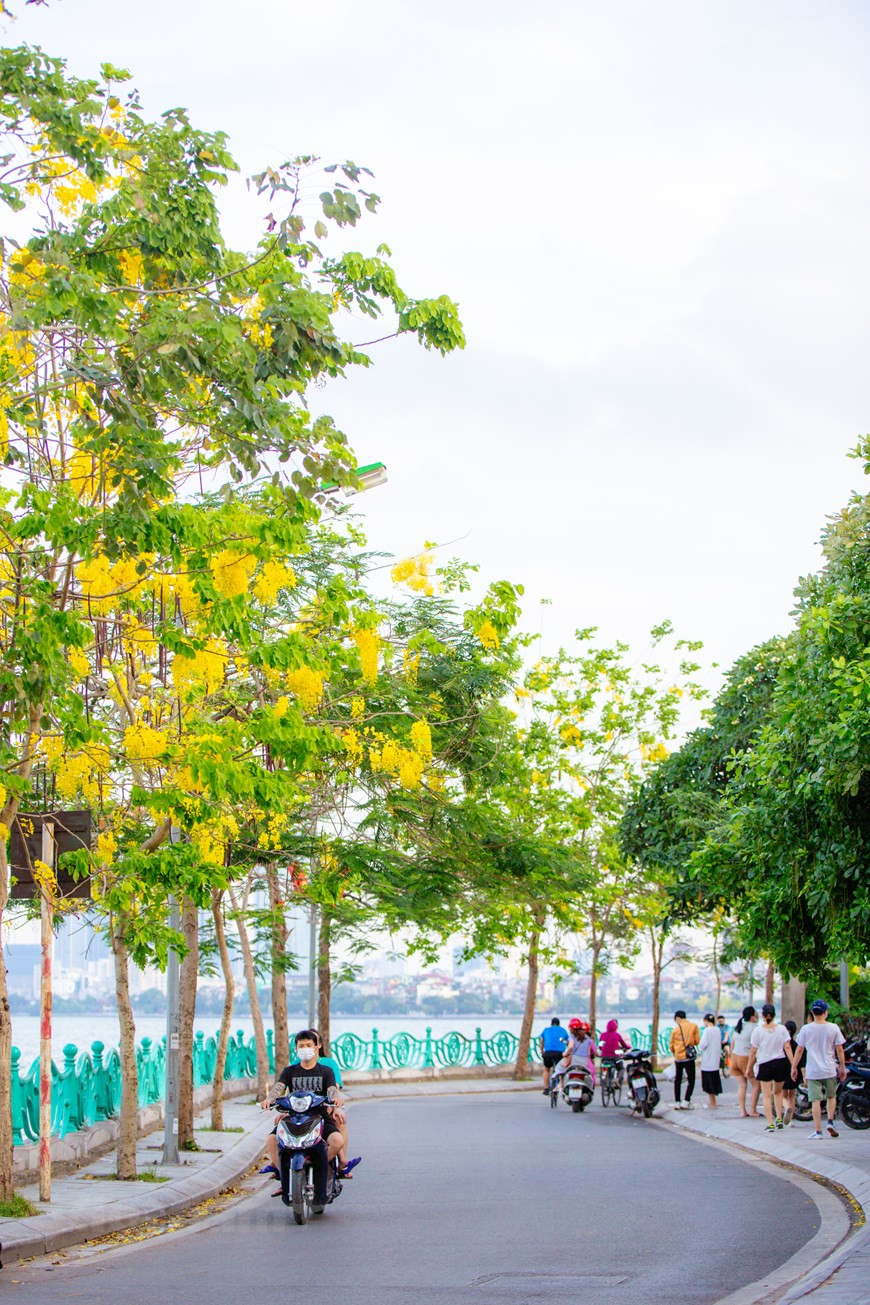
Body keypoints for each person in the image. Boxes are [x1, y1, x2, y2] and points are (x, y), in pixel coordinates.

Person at [260, 1028, 345, 1211]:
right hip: (293, 1117)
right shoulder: (290, 1071)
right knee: (272, 1140)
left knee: (337, 1141)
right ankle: (285, 1178)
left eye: (308, 1045)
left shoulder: (326, 1071)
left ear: (316, 1048)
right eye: (301, 1046)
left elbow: (332, 1090)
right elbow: (279, 1088)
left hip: (319, 1117)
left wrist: (336, 1099)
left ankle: (318, 1167)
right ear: (296, 1049)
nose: (305, 1049)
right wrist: (269, 1100)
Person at [792, 999, 847, 1140]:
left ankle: (818, 1131)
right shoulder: (833, 1027)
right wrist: (843, 1067)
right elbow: (840, 1049)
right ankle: (829, 1121)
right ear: (825, 1012)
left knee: (815, 1100)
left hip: (813, 1071)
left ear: (812, 1012)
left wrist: (794, 1067)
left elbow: (799, 1050)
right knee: (831, 1096)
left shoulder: (806, 1029)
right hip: (829, 1069)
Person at [745, 1002, 793, 1132]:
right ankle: (779, 1119)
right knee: (777, 1092)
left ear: (762, 1015)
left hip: (765, 1063)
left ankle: (770, 1123)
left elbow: (753, 1051)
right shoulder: (782, 1029)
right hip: (780, 1062)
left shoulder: (758, 1030)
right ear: (774, 1015)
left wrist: (748, 1068)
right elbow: (787, 1047)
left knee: (766, 1095)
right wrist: (793, 1065)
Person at [730, 1006, 761, 1118]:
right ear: (752, 1016)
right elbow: (754, 1047)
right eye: (756, 1013)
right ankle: (753, 1110)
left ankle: (743, 1111)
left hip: (735, 1057)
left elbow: (732, 1043)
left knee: (742, 1085)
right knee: (756, 1085)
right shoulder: (754, 1028)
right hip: (746, 1058)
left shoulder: (739, 1026)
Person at [551, 1019, 597, 1092]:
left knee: (560, 1068)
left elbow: (571, 1046)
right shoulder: (588, 1039)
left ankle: (560, 1084)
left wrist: (565, 1053)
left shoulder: (572, 1037)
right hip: (585, 1062)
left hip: (573, 1061)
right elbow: (594, 1051)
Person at [669, 1009, 700, 1110]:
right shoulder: (693, 1026)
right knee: (691, 1080)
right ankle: (686, 1101)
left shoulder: (675, 1030)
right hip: (689, 1058)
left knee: (677, 1080)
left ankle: (677, 1102)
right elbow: (697, 1041)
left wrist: (676, 1052)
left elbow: (671, 1046)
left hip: (678, 1058)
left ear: (678, 1018)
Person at [539, 1017, 569, 1094]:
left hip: (548, 1053)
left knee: (546, 1069)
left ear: (551, 1024)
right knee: (562, 1070)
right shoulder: (563, 1030)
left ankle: (546, 1089)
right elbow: (567, 1042)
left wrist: (541, 1050)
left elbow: (542, 1040)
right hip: (559, 1053)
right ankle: (562, 1085)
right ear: (559, 1024)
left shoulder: (546, 1030)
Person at [699, 1013, 723, 1108]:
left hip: (707, 1061)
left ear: (706, 1021)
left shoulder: (707, 1031)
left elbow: (702, 1045)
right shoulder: (717, 1030)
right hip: (715, 1060)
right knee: (714, 1082)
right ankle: (713, 1102)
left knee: (709, 1084)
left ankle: (712, 1103)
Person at [598, 1018, 631, 1085]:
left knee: (603, 1065)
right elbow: (624, 1045)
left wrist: (604, 1050)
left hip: (604, 1057)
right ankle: (617, 1079)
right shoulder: (617, 1035)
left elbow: (600, 1046)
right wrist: (628, 1047)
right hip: (615, 1057)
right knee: (621, 1068)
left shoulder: (602, 1035)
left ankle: (605, 1080)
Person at [781, 1019, 799, 1126]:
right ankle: (790, 1119)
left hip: (783, 1069)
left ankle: (786, 1108)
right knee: (792, 1094)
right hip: (794, 1071)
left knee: (783, 1095)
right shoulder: (796, 1045)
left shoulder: (782, 1044)